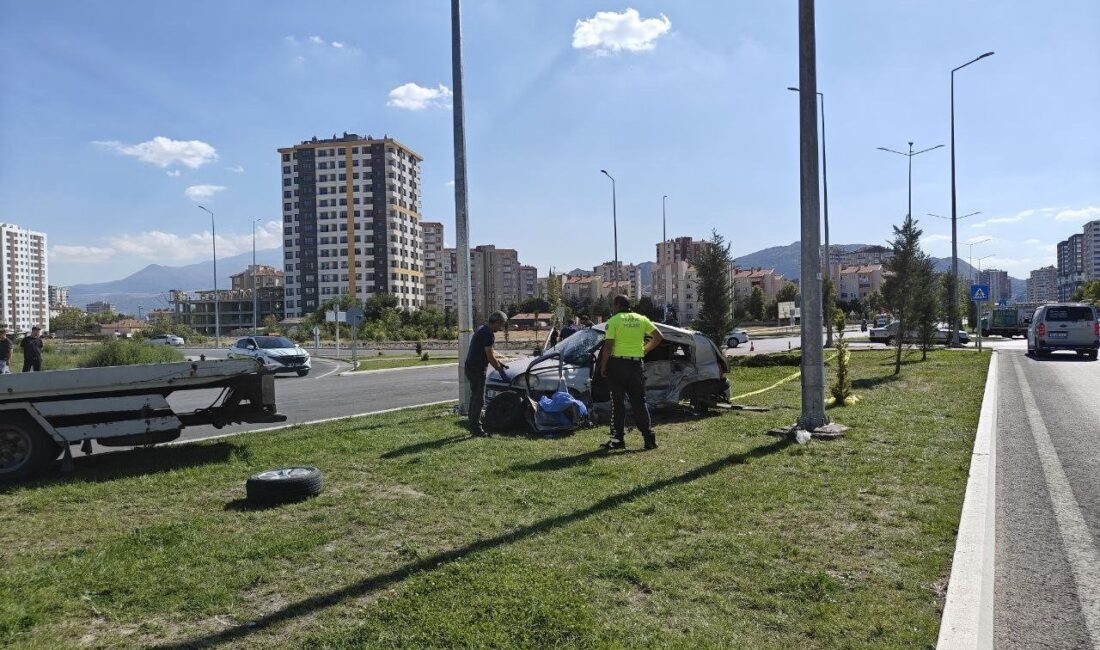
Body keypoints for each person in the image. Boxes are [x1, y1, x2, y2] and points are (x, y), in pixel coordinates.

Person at [597, 295, 664, 451]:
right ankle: (649, 439)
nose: (612, 308)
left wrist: (603, 366)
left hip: (617, 365)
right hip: (636, 365)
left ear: (618, 305)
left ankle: (617, 440)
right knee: (639, 402)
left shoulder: (614, 321)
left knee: (617, 404)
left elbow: (608, 346)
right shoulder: (641, 319)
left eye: (613, 305)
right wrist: (644, 350)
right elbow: (659, 336)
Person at [465, 311, 509, 436]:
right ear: (497, 322)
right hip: (477, 369)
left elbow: (489, 352)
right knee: (479, 400)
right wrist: (501, 371)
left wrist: (499, 362)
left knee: (475, 397)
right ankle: (476, 429)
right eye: (501, 325)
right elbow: (489, 356)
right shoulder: (488, 334)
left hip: (470, 366)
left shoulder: (481, 328)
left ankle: (472, 424)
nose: (500, 329)